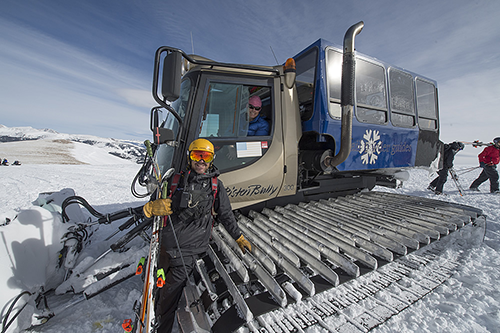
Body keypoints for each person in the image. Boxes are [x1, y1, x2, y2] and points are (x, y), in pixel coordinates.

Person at [142, 138, 252, 332]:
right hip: (166, 246)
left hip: (189, 251)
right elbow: (153, 203)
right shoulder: (173, 181)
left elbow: (226, 215)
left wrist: (238, 237)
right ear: (189, 157)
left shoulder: (216, 186)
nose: (201, 161)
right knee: (157, 286)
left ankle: (161, 328)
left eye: (206, 156)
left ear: (211, 159)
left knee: (168, 296)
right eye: (197, 155)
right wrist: (150, 208)